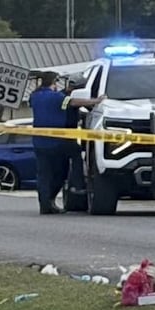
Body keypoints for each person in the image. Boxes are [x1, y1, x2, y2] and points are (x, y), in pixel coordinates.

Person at [30, 71, 104, 214]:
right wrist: (96, 101)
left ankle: (45, 205)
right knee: (75, 153)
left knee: (43, 175)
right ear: (54, 82)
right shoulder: (57, 97)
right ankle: (78, 183)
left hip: (39, 141)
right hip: (58, 141)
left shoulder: (34, 97)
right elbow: (73, 102)